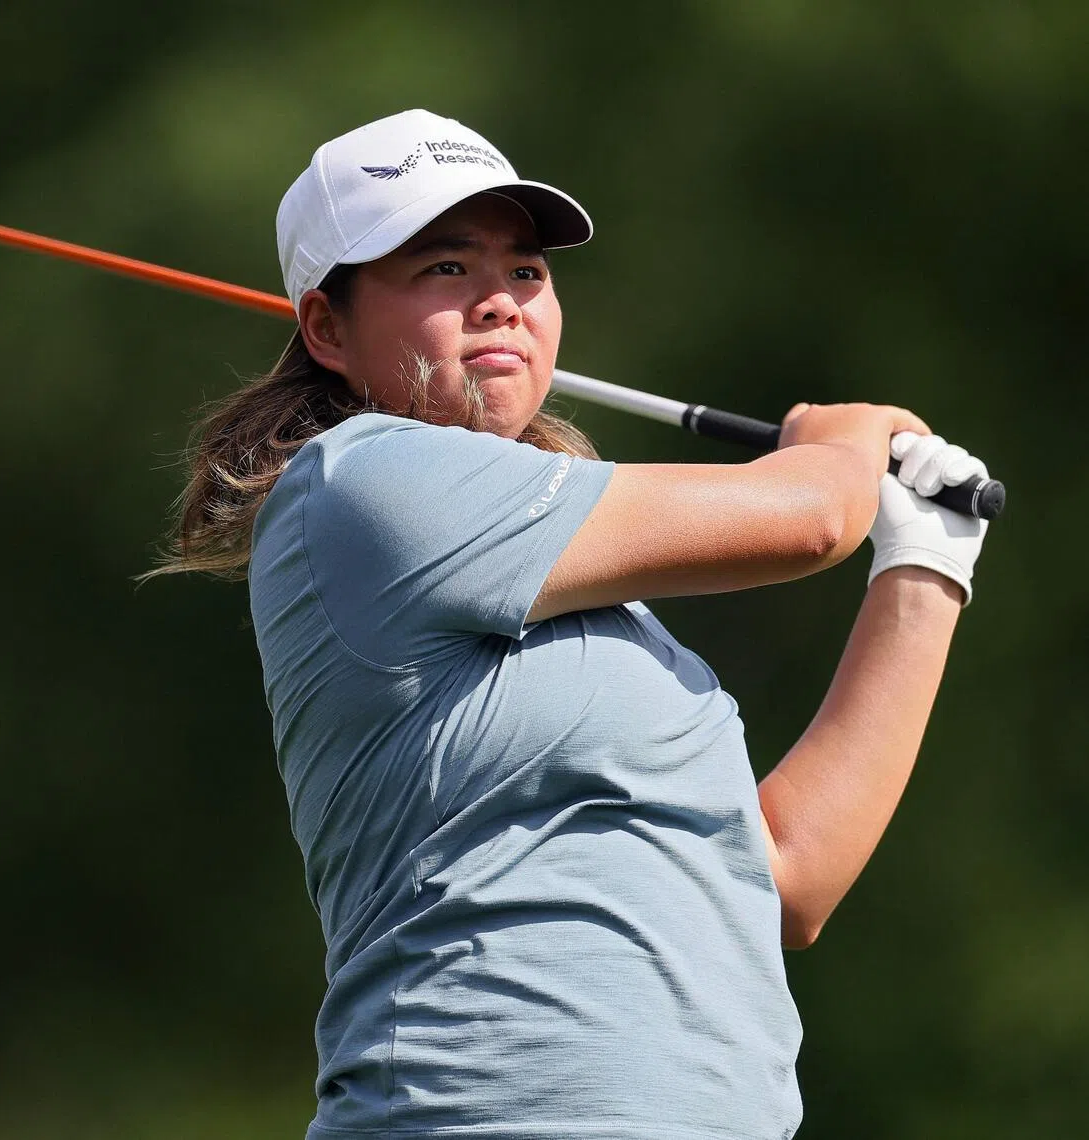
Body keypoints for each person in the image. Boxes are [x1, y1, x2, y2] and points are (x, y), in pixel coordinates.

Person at [154, 109, 990, 1139]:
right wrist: (844, 439)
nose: (500, 302)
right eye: (446, 269)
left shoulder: (615, 616)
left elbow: (782, 878)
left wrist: (925, 565)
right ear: (327, 327)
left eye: (526, 272)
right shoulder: (361, 485)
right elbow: (812, 515)